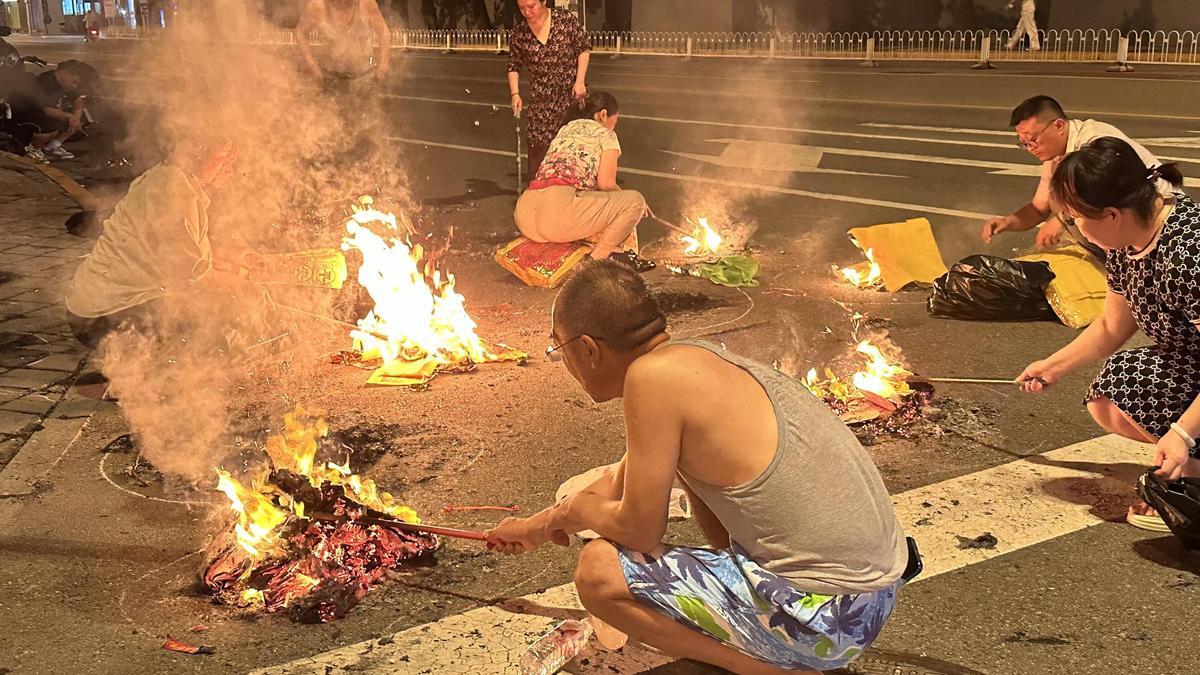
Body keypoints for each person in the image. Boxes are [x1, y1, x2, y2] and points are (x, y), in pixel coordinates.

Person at [486, 260, 915, 674]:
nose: (563, 361)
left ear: (587, 348)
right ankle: (757, 629)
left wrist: (571, 512)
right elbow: (619, 482)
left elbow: (638, 529)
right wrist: (533, 528)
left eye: (557, 348)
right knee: (688, 485)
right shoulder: (693, 360)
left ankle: (760, 668)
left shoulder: (651, 380)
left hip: (827, 621)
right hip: (872, 598)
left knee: (598, 571)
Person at [1019, 137, 1200, 532]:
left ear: (1112, 214)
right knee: (1114, 388)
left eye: (1076, 218)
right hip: (1194, 360)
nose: (1074, 230)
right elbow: (1112, 325)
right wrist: (1053, 366)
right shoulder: (1127, 241)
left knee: (1161, 418)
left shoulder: (1188, 254)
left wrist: (1182, 434)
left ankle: (1190, 472)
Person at [65, 143, 240, 348]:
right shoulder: (175, 192)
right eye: (226, 154)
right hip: (105, 317)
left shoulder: (167, 176)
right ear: (199, 151)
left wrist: (241, 263)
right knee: (227, 310)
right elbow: (190, 275)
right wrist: (244, 284)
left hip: (93, 307)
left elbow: (185, 251)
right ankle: (159, 373)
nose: (230, 164)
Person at [982, 95, 1170, 263]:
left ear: (1059, 125)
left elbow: (1108, 195)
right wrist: (1008, 222)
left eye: (1033, 140)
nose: (1030, 148)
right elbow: (1039, 208)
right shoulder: (1055, 156)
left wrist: (1063, 220)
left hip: (1156, 231)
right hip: (1123, 244)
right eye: (1024, 144)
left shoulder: (1095, 143)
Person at [514, 91, 654, 272]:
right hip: (559, 216)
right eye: (615, 121)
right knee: (634, 201)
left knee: (590, 199)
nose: (614, 126)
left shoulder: (566, 128)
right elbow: (606, 185)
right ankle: (593, 262)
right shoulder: (606, 134)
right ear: (603, 114)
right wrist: (639, 209)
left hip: (526, 216)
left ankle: (588, 250)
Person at [507, 0, 591, 177]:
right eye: (522, 8)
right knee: (539, 145)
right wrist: (515, 94)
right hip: (541, 98)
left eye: (531, 6)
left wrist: (580, 81)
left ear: (544, 1)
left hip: (571, 93)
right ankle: (539, 190)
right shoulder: (520, 33)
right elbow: (513, 66)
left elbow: (583, 49)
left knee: (573, 144)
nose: (527, 12)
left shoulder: (564, 20)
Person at [0, 60, 98, 161]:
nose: (74, 86)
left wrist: (76, 117)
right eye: (74, 82)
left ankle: (50, 147)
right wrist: (69, 116)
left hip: (45, 111)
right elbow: (44, 109)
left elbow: (77, 100)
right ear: (64, 72)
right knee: (50, 125)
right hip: (25, 113)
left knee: (81, 118)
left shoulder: (65, 83)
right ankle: (32, 149)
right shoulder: (45, 82)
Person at [296, 0, 390, 86]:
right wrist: (312, 64)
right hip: (329, 77)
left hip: (364, 76)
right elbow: (300, 32)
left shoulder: (366, 4)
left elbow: (383, 32)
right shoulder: (317, 6)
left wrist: (383, 65)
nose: (341, 2)